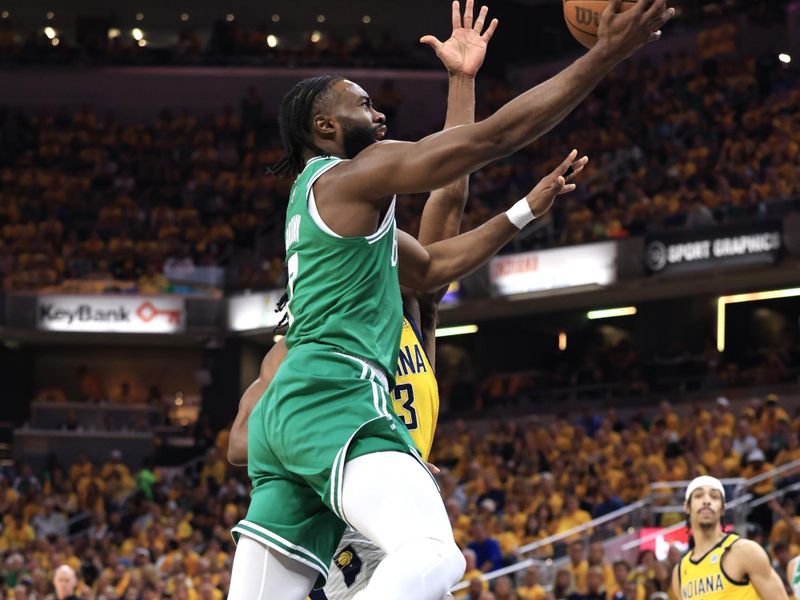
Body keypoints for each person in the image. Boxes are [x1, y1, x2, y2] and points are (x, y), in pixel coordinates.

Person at [228, 0, 673, 597]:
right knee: (435, 557)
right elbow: (491, 140)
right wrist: (605, 54)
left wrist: (522, 210)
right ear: (325, 129)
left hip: (290, 419)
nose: (379, 112)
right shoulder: (349, 176)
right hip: (337, 395)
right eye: (362, 104)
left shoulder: (338, 208)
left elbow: (435, 263)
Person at [670, 475, 788, 599]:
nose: (706, 501)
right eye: (698, 496)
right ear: (687, 507)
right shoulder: (679, 573)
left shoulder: (745, 551)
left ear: (723, 508)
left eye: (714, 496)